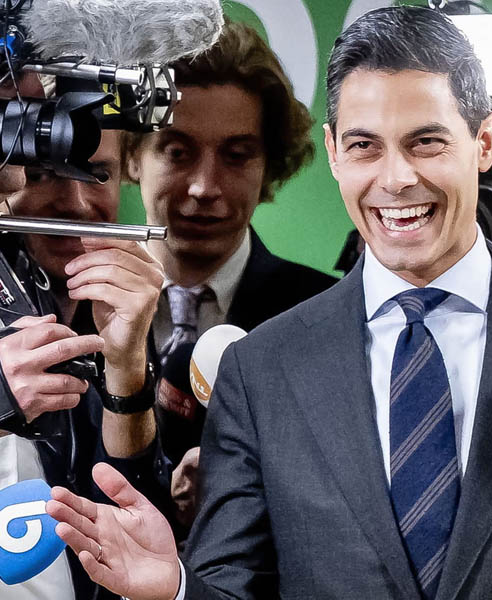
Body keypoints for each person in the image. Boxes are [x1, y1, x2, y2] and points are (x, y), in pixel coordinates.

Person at [46, 7, 492, 599]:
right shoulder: (262, 370)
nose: (396, 178)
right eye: (365, 146)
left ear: (484, 141)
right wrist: (175, 587)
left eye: (426, 142)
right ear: (334, 154)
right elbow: (234, 585)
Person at [0, 59, 169, 597]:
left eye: (96, 173)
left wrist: (124, 366)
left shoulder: (6, 259)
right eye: (6, 77)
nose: (34, 96)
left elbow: (117, 497)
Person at [123, 23, 336, 520]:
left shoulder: (324, 315)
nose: (204, 187)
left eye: (237, 156)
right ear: (133, 156)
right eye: (177, 152)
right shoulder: (71, 305)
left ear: (269, 167)